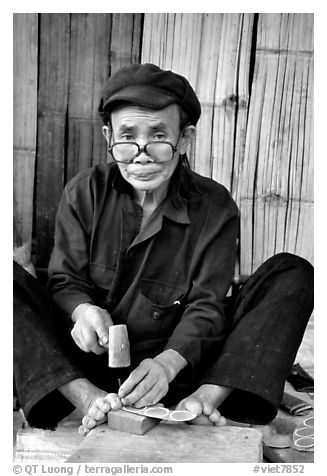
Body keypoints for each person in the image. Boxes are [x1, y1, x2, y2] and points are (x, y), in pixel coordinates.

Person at [13, 63, 314, 435]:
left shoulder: (215, 207)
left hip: (182, 370)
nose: (141, 155)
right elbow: (64, 280)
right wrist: (82, 311)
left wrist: (169, 364)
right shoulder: (84, 192)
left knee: (293, 272)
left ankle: (204, 399)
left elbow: (207, 305)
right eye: (127, 137)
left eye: (158, 136)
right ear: (109, 137)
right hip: (87, 363)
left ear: (185, 139)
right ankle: (87, 398)